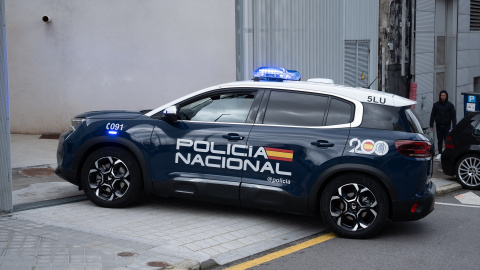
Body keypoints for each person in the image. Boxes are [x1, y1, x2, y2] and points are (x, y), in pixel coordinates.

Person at [430, 90, 456, 160]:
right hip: (438, 126)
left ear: (446, 96)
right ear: (440, 96)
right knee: (439, 140)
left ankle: (447, 153)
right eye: (441, 95)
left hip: (447, 126)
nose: (443, 97)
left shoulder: (450, 105)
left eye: (444, 95)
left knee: (447, 140)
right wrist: (431, 124)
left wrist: (454, 125)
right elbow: (432, 115)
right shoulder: (436, 105)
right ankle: (440, 153)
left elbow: (453, 116)